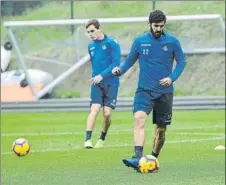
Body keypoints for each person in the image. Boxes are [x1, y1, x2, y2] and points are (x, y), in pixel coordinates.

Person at [112, 10, 186, 171]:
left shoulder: (172, 41)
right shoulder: (140, 41)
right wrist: (120, 70)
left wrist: (171, 78)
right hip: (144, 90)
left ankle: (152, 158)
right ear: (150, 24)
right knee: (139, 118)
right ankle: (138, 158)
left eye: (161, 26)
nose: (158, 29)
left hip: (164, 92)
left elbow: (182, 62)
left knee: (161, 130)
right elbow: (129, 61)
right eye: (155, 26)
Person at [84, 19, 121, 149]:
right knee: (94, 109)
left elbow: (115, 63)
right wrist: (95, 77)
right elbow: (95, 63)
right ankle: (87, 140)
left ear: (100, 28)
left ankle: (102, 138)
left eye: (92, 31)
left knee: (107, 113)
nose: (91, 34)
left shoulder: (112, 43)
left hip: (111, 83)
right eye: (88, 32)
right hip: (97, 83)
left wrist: (102, 75)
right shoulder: (91, 46)